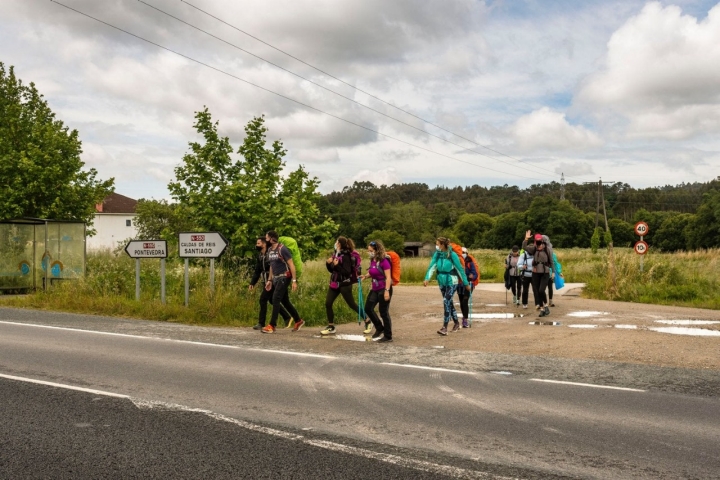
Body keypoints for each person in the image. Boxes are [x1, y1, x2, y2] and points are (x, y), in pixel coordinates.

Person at [423, 237, 470, 335]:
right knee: (449, 303)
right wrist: (427, 278)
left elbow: (460, 269)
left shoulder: (452, 255)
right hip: (441, 281)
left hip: (452, 281)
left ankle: (444, 327)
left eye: (438, 244)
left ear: (443, 245)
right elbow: (432, 266)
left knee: (446, 301)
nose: (436, 246)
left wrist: (465, 283)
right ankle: (456, 323)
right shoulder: (437, 255)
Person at [262, 230, 304, 333]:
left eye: (267, 238)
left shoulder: (282, 249)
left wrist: (294, 281)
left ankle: (272, 325)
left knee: (275, 299)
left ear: (272, 239)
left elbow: (291, 265)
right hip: (276, 278)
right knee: (285, 301)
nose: (265, 240)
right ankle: (298, 320)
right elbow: (272, 265)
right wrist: (269, 280)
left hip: (284, 277)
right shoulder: (270, 251)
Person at [321, 236, 363, 335]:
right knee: (328, 303)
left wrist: (337, 265)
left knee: (352, 305)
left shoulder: (346, 256)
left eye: (336, 242)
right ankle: (331, 326)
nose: (335, 243)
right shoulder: (335, 254)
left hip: (345, 284)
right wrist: (328, 264)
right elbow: (332, 270)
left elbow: (347, 272)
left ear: (339, 244)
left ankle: (368, 320)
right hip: (335, 283)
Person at [249, 237, 291, 330]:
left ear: (264, 244)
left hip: (274, 280)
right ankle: (288, 317)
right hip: (267, 281)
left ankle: (261, 323)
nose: (257, 245)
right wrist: (252, 283)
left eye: (258, 243)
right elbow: (257, 270)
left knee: (263, 299)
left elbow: (275, 266)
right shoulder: (260, 256)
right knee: (274, 300)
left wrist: (271, 279)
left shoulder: (270, 254)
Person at [361, 240, 393, 343]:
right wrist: (366, 276)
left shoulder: (384, 261)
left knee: (383, 312)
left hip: (384, 288)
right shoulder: (373, 260)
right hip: (375, 288)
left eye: (370, 250)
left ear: (376, 250)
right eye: (368, 250)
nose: (369, 252)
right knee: (368, 308)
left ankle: (388, 336)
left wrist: (387, 291)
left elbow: (388, 277)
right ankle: (379, 328)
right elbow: (373, 272)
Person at [522, 231, 553, 317]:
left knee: (541, 290)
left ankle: (546, 305)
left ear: (543, 241)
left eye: (540, 240)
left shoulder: (547, 249)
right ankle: (542, 309)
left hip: (545, 273)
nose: (538, 242)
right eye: (537, 241)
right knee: (538, 291)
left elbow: (551, 262)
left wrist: (553, 272)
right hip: (535, 273)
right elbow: (524, 247)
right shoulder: (534, 249)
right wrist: (526, 239)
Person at [457, 246, 478, 328]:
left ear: (467, 253)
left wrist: (471, 277)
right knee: (461, 302)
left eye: (464, 253)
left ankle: (465, 319)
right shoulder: (457, 262)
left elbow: (475, 274)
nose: (463, 254)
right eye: (461, 253)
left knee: (465, 301)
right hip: (459, 285)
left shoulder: (470, 263)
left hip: (469, 285)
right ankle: (464, 317)